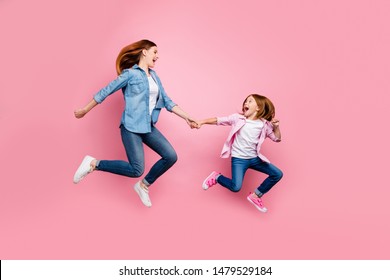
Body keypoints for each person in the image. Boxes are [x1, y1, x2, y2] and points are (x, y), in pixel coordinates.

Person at [73, 39, 197, 208]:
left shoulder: (154, 77)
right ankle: (93, 163)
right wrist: (85, 110)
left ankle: (143, 185)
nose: (157, 56)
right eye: (155, 52)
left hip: (148, 126)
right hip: (130, 127)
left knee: (171, 156)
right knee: (136, 169)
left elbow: (167, 101)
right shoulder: (130, 74)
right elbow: (106, 91)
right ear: (144, 52)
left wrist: (187, 117)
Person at [195, 94, 283, 213]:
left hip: (255, 159)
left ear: (258, 107)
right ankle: (217, 177)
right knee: (235, 187)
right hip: (239, 160)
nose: (245, 103)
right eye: (245, 101)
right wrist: (202, 122)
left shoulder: (264, 124)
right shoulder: (238, 119)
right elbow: (219, 120)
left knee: (277, 174)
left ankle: (256, 196)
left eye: (250, 101)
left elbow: (277, 139)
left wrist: (276, 127)